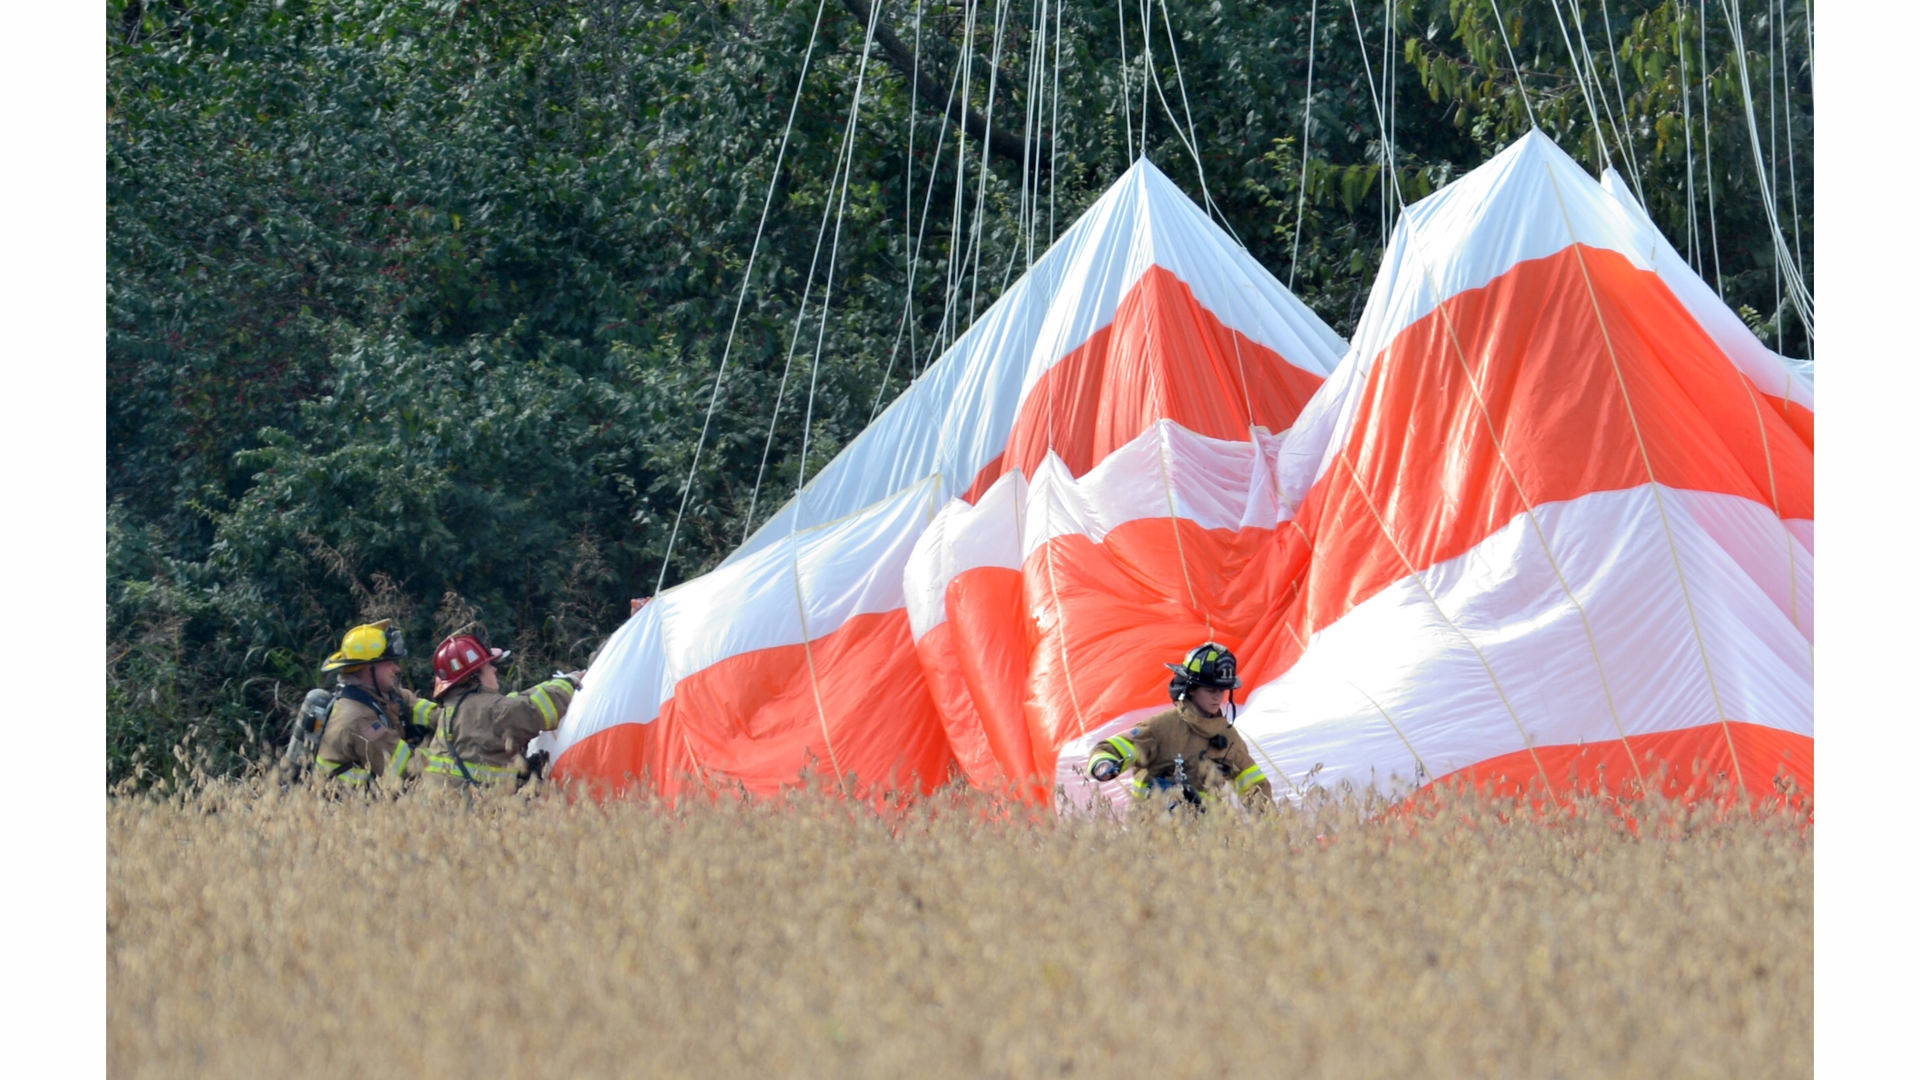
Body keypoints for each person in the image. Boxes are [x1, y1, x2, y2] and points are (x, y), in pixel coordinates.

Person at [1085, 642, 1273, 811]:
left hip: (1205, 833)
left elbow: (1253, 786)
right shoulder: (1162, 727)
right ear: (1191, 689)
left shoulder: (1228, 738)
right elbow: (1111, 748)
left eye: (1221, 690)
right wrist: (1104, 763)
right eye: (1210, 690)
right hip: (1151, 829)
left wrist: (1270, 825)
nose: (1217, 697)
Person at [421, 632, 582, 791]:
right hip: (475, 804)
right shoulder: (490, 710)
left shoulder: (459, 708)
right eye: (489, 665)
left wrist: (556, 682)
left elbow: (514, 701)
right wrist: (568, 684)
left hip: (444, 802)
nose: (494, 670)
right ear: (474, 677)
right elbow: (534, 710)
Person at [313, 620, 438, 787]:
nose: (397, 668)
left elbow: (424, 710)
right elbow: (405, 769)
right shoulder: (359, 718)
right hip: (345, 800)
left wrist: (457, 723)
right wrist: (444, 753)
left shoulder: (383, 694)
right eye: (389, 663)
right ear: (369, 668)